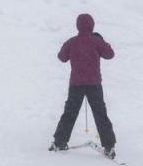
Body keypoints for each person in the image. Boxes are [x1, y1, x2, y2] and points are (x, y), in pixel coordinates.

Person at [49, 13, 117, 158]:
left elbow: (62, 57)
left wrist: (69, 47)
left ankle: (59, 142)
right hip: (94, 84)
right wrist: (102, 41)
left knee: (69, 113)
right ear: (92, 25)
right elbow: (110, 54)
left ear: (77, 26)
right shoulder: (96, 41)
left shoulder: (72, 42)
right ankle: (109, 146)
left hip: (76, 84)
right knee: (100, 114)